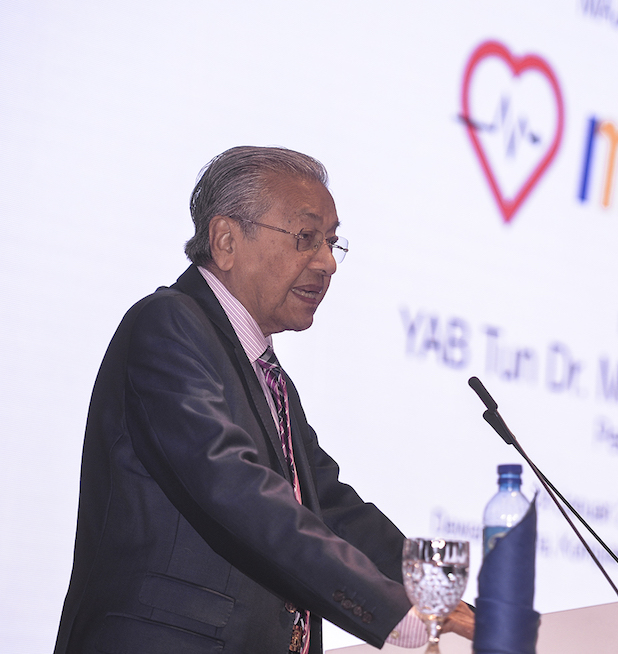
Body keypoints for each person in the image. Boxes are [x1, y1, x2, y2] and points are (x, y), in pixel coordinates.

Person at [54, 146, 474, 653]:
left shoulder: (265, 373)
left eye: (332, 242)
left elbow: (329, 506)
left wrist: (438, 596)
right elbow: (237, 488)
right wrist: (393, 611)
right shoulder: (167, 325)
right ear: (226, 241)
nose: (327, 263)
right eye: (305, 238)